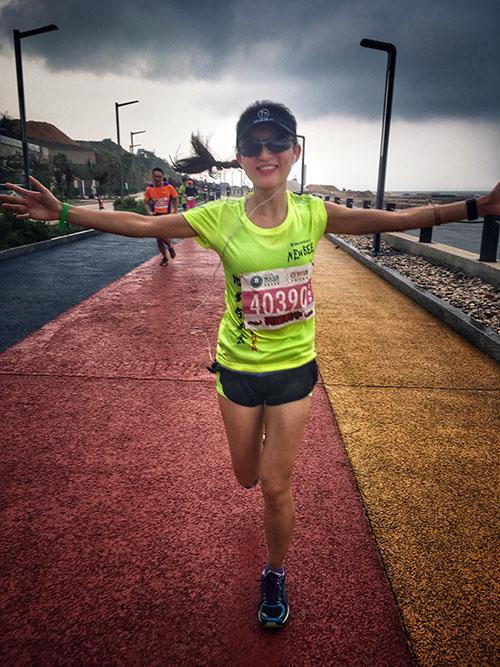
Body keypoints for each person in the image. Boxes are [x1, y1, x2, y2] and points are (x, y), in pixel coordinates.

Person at [2, 100, 499, 630]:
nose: (266, 153)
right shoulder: (221, 218)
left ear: (294, 151)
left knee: (275, 485)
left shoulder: (314, 213)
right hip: (238, 370)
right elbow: (143, 226)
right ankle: (262, 451)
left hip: (294, 370)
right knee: (245, 476)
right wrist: (63, 212)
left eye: (277, 142)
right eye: (254, 145)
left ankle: (275, 571)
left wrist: (477, 207)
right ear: (239, 157)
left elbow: (397, 218)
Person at [144, 167, 178, 265]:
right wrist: (149, 212)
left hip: (166, 215)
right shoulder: (149, 189)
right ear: (152, 176)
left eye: (160, 177)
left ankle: (170, 245)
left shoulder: (169, 187)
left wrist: (174, 212)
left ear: (162, 177)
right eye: (156, 176)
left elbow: (176, 198)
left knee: (161, 234)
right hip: (156, 216)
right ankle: (165, 257)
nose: (158, 179)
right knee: (158, 239)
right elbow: (146, 202)